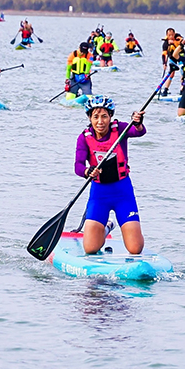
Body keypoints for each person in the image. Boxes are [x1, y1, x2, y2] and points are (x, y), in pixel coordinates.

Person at [74, 95, 147, 255]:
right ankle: (106, 227)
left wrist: (138, 123)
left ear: (110, 117)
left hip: (123, 193)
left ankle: (113, 228)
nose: (100, 121)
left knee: (135, 249)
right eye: (96, 117)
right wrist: (88, 171)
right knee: (90, 249)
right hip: (99, 195)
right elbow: (78, 166)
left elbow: (138, 132)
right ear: (89, 118)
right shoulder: (84, 138)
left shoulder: (120, 129)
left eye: (104, 116)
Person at [160, 28, 183, 95]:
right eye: (169, 35)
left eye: (172, 35)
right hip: (172, 58)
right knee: (171, 73)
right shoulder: (165, 43)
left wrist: (174, 42)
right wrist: (164, 63)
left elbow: (181, 42)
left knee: (183, 72)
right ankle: (165, 90)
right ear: (167, 35)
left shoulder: (178, 37)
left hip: (180, 56)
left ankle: (182, 90)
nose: (171, 37)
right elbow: (164, 54)